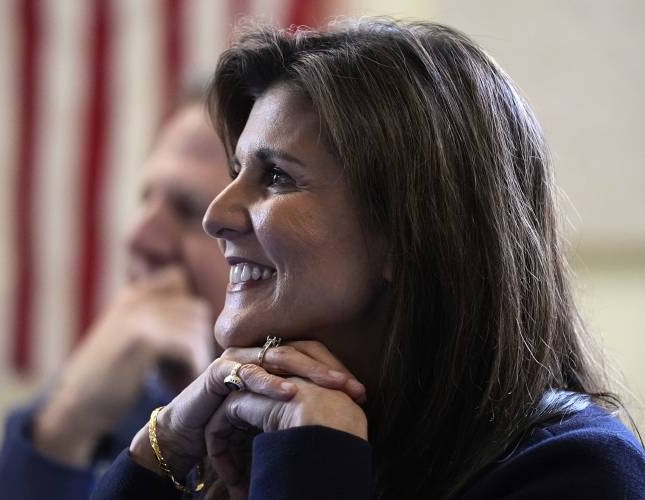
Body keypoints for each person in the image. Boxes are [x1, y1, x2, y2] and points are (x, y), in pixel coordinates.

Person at [92, 18, 645, 500]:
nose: (218, 213)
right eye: (236, 170)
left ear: (408, 235)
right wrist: (158, 453)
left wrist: (313, 458)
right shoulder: (244, 428)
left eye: (277, 176)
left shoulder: (577, 472)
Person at [0, 98, 233, 499]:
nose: (138, 236)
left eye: (188, 209)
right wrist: (65, 427)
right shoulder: (117, 390)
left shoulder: (314, 430)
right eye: (145, 199)